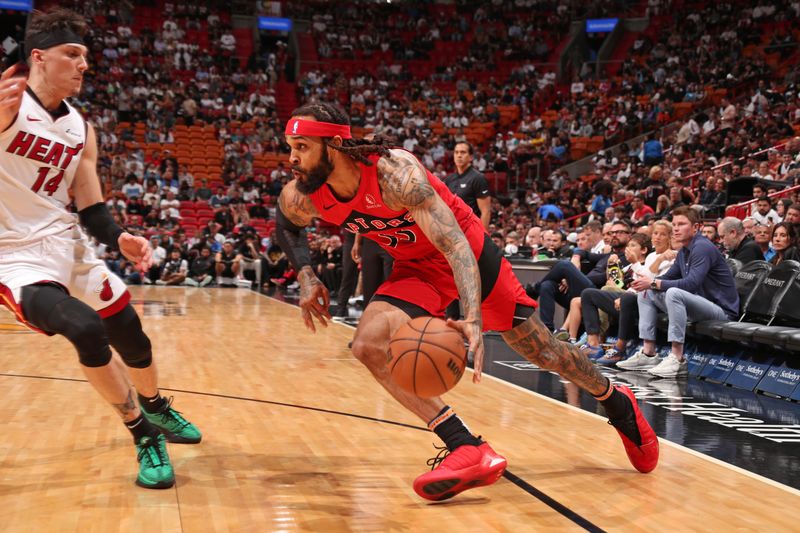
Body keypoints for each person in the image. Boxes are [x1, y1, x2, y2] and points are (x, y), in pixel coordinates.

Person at [275, 103, 658, 501]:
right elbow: (284, 223)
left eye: (301, 146)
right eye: (290, 146)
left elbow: (456, 244)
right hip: (417, 267)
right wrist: (306, 275)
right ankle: (465, 446)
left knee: (545, 353)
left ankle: (615, 401)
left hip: (469, 254)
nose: (292, 158)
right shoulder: (306, 193)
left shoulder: (395, 174)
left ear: (335, 144)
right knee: (368, 345)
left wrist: (472, 317)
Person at [0, 8, 199, 490]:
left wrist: (120, 238)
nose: (84, 64)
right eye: (73, 54)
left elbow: (91, 208)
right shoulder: (7, 106)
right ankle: (142, 432)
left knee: (131, 334)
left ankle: (156, 406)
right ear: (39, 58)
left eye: (86, 55)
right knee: (84, 327)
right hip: (12, 256)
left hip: (66, 242)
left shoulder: (80, 127)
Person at [626, 207, 739, 377]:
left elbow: (691, 284)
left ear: (696, 227)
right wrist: (647, 283)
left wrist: (655, 282)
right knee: (647, 292)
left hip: (721, 311)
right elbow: (668, 276)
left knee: (673, 292)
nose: (676, 228)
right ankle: (648, 353)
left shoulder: (702, 247)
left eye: (681, 224)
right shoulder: (684, 251)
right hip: (697, 304)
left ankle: (677, 359)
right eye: (674, 224)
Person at [444, 142, 491, 230]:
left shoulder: (478, 178)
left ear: (471, 157)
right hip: (453, 232)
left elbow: (485, 211)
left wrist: (483, 237)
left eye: (463, 152)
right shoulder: (449, 179)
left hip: (471, 231)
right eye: (456, 152)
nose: (459, 155)